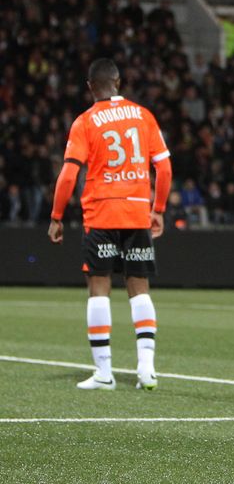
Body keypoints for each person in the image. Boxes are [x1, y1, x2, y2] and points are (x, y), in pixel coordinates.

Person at [48, 58, 173, 391]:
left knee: (99, 289)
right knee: (139, 288)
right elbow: (164, 168)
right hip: (136, 213)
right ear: (119, 82)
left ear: (91, 86)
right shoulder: (143, 115)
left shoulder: (85, 122)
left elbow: (69, 174)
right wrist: (157, 208)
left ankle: (104, 373)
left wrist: (56, 216)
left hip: (102, 213)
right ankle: (146, 368)